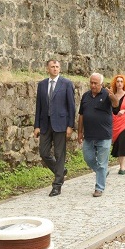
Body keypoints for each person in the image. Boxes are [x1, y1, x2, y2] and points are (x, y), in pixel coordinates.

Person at [34, 59, 76, 197]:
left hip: (61, 124)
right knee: (44, 152)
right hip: (45, 124)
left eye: (57, 66)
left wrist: (70, 126)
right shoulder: (42, 85)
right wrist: (37, 126)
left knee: (59, 154)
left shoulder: (66, 84)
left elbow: (71, 106)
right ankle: (61, 171)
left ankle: (57, 185)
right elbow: (39, 107)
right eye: (52, 67)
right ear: (47, 68)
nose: (55, 69)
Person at [77, 73, 119, 197]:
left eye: (96, 83)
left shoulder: (107, 95)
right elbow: (81, 115)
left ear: (101, 84)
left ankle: (99, 187)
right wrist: (80, 132)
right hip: (89, 135)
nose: (93, 85)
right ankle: (103, 172)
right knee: (88, 158)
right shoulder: (85, 96)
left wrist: (113, 97)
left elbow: (116, 106)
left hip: (104, 135)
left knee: (102, 162)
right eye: (91, 82)